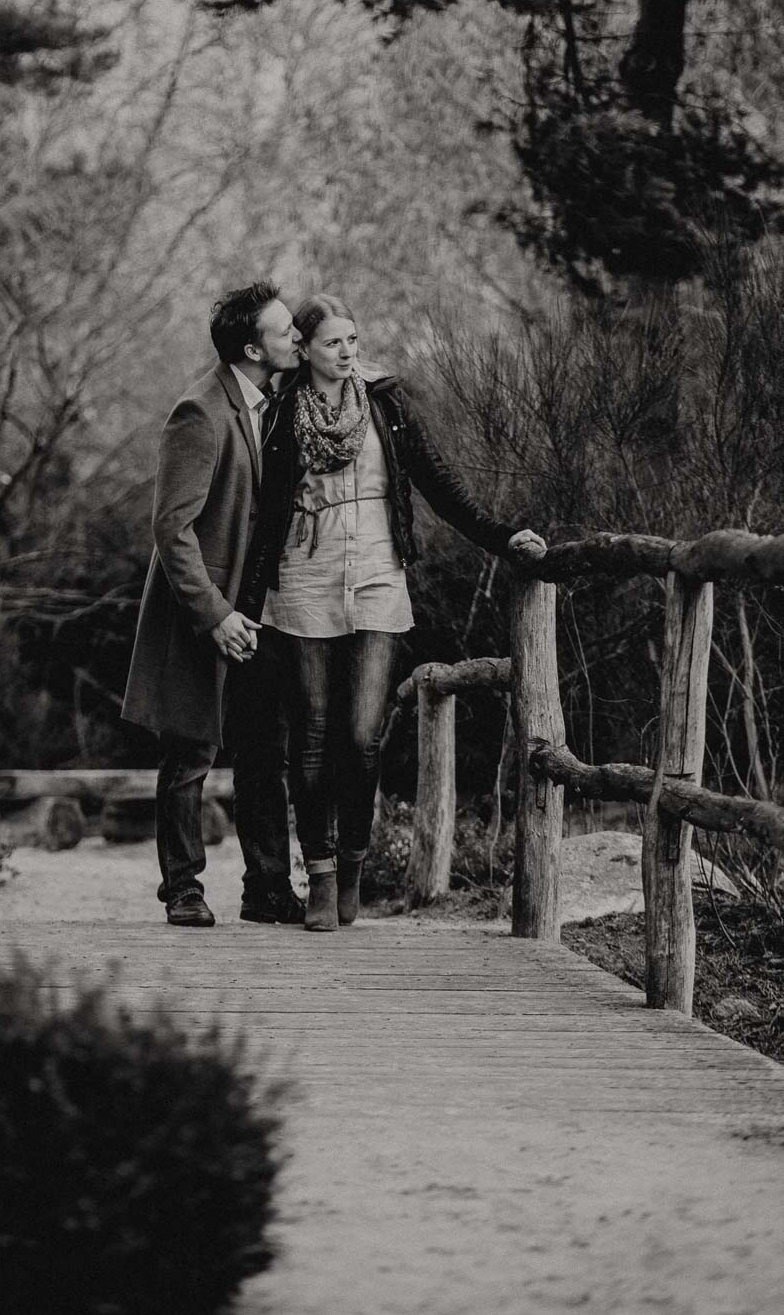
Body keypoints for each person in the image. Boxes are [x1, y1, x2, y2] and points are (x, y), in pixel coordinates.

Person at [243, 293, 546, 932]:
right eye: (333, 342)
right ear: (304, 348)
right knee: (313, 739)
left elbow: (438, 483)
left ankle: (353, 862)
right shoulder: (279, 414)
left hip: (379, 578)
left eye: (353, 339)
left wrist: (501, 537)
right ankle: (320, 876)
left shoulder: (386, 404)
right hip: (303, 582)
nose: (348, 351)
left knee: (362, 736)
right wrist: (240, 599)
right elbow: (260, 511)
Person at [121, 281, 308, 927]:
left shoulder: (265, 402)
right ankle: (183, 889)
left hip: (250, 609)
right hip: (196, 611)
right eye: (286, 333)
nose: (297, 340)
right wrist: (216, 615)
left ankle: (266, 889)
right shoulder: (199, 412)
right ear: (254, 347)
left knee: (262, 746)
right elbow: (172, 529)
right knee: (190, 752)